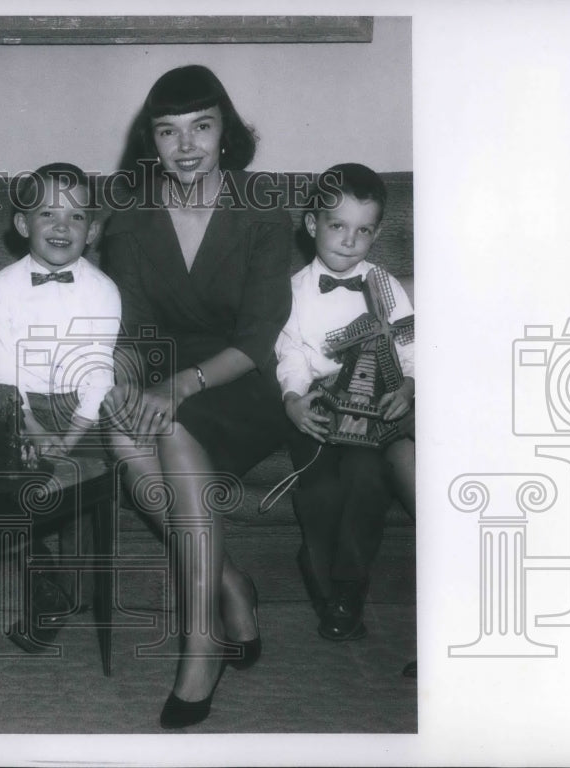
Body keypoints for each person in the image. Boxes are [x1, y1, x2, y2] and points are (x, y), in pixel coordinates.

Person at [101, 65, 293, 729]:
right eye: (168, 130)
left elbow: (261, 336)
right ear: (151, 141)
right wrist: (124, 380)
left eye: (201, 127)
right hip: (164, 374)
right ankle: (232, 583)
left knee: (175, 429)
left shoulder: (262, 207)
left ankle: (201, 640)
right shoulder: (129, 215)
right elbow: (128, 328)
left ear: (225, 134)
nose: (186, 146)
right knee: (124, 431)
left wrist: (180, 386)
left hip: (243, 377)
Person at [0, 163, 121, 650]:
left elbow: (98, 374)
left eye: (77, 217)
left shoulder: (102, 291)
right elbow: (2, 375)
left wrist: (71, 437)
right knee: (2, 475)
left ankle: (71, 593)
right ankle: (44, 581)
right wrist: (35, 430)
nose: (62, 226)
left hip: (82, 409)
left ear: (93, 231)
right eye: (48, 213)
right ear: (22, 224)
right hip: (17, 404)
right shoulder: (0, 289)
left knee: (79, 482)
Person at [274, 162, 416, 642]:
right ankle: (321, 569)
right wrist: (294, 400)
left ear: (376, 234)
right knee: (318, 492)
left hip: (375, 405)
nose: (350, 240)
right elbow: (290, 352)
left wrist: (407, 387)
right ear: (313, 224)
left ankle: (347, 588)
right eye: (338, 226)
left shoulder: (385, 286)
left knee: (364, 478)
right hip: (319, 406)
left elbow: (412, 345)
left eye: (364, 230)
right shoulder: (292, 291)